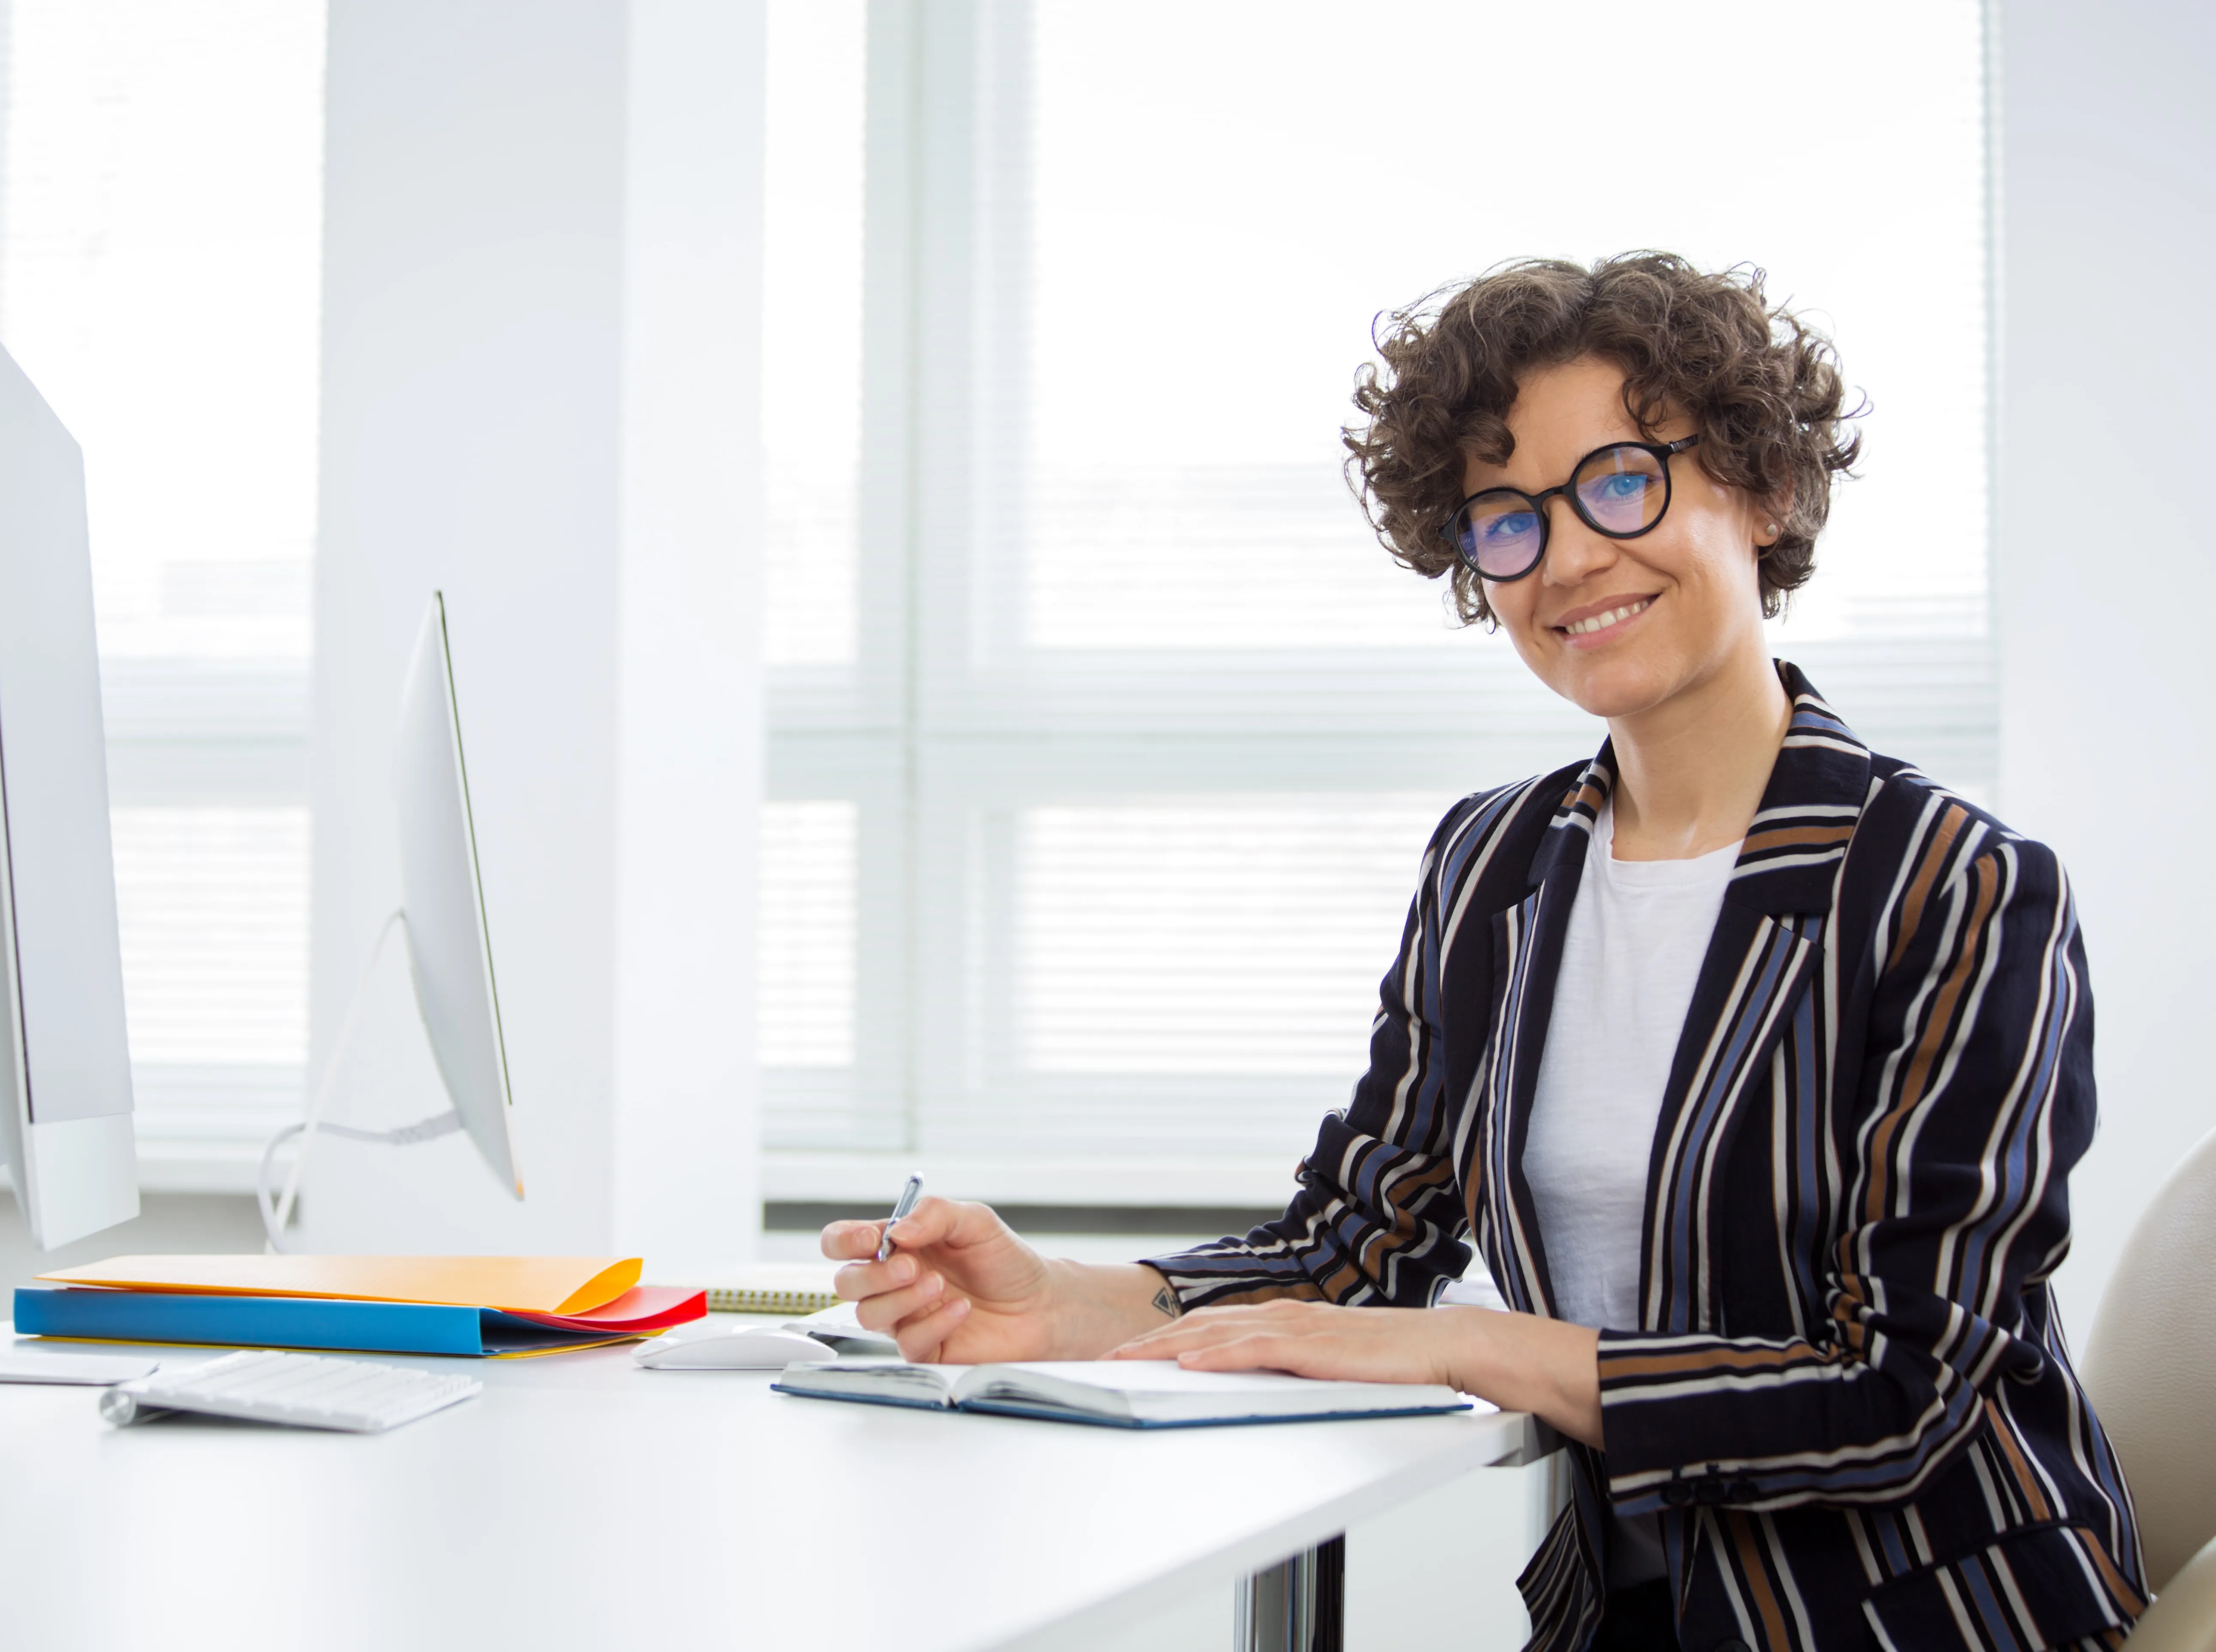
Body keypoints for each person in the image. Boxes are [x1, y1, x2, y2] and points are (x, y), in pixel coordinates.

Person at [824, 253, 2144, 1652]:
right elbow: (1353, 1246)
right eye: (1506, 519)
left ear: (1762, 490)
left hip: (1921, 1616)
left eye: (1623, 481)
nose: (1568, 557)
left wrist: (1466, 1343)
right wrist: (1067, 1305)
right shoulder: (1492, 867)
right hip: (1631, 1614)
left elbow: (1902, 1395)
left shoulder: (1951, 881)